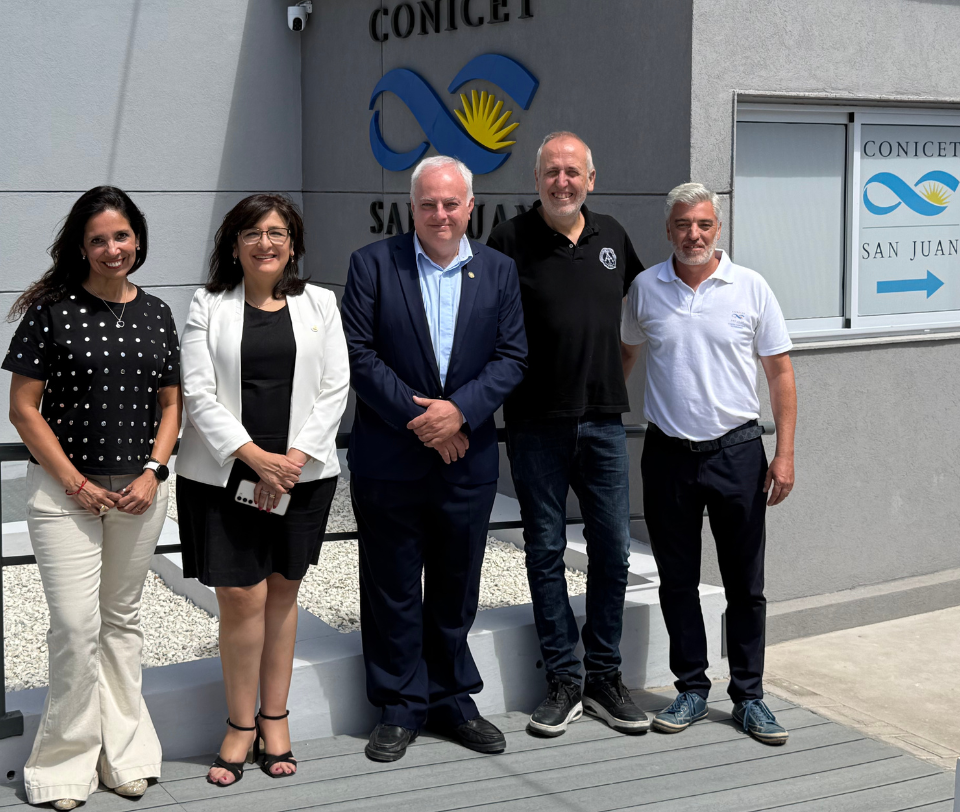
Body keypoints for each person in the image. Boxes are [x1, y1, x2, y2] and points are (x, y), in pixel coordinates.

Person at [341, 155, 528, 763]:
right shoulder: (372, 264)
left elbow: (512, 357)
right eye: (429, 204)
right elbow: (358, 354)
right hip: (390, 460)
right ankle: (399, 706)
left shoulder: (499, 271)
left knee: (456, 585)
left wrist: (460, 414)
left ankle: (450, 698)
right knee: (390, 585)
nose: (440, 215)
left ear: (470, 206)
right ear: (412, 208)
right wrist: (425, 422)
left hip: (465, 461)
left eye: (451, 204)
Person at [4, 186, 181, 811]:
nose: (113, 248)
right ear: (81, 246)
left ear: (138, 239)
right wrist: (77, 483)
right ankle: (61, 768)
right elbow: (24, 409)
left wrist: (154, 471)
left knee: (122, 624)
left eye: (122, 236)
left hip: (140, 494)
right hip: (64, 496)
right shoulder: (53, 311)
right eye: (99, 239)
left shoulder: (157, 313)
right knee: (76, 628)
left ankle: (126, 756)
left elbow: (170, 404)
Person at [175, 193, 349, 787]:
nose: (265, 242)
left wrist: (292, 460)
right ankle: (240, 724)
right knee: (241, 598)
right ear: (234, 244)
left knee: (282, 592)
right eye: (251, 232)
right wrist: (254, 459)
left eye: (276, 232)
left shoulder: (321, 303)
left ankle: (275, 718)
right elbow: (197, 393)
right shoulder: (206, 304)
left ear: (293, 243)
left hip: (301, 476)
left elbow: (335, 386)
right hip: (227, 473)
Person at [621, 182, 797, 746]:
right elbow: (623, 355)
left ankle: (749, 696)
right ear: (668, 230)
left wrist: (785, 453)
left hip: (738, 452)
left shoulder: (751, 288)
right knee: (676, 580)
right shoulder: (646, 288)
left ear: (717, 229)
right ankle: (692, 687)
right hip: (668, 454)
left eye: (702, 224)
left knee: (746, 583)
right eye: (681, 226)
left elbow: (780, 373)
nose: (692, 235)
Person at [486, 131, 649, 738]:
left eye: (572, 171)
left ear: (591, 178)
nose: (562, 181)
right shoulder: (507, 241)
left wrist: (608, 378)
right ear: (537, 181)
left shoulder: (613, 236)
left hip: (605, 422)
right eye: (552, 171)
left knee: (613, 551)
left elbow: (636, 320)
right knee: (545, 552)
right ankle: (564, 678)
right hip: (534, 426)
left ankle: (605, 676)